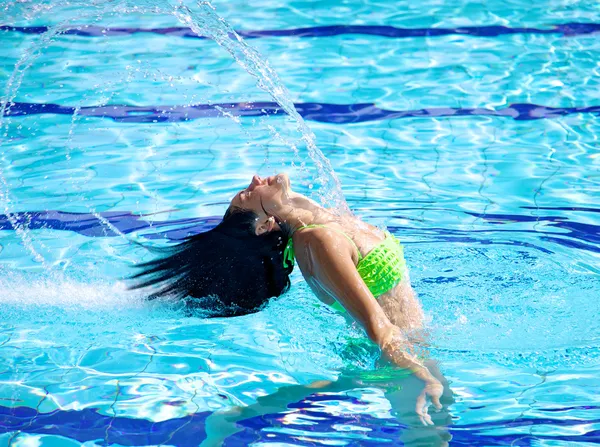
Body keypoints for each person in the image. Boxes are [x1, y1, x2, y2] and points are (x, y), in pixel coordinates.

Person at [130, 173, 444, 425]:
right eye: (250, 195)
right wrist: (419, 371)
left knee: (432, 426)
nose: (255, 179)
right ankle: (237, 419)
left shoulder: (322, 220)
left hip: (408, 348)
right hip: (397, 358)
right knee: (427, 434)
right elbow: (378, 327)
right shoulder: (317, 241)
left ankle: (239, 418)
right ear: (265, 225)